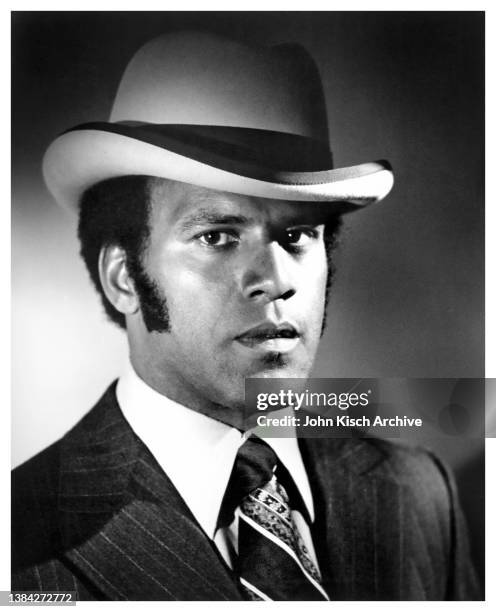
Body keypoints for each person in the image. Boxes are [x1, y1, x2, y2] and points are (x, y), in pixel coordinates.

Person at [11, 31, 479, 601]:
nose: (278, 279)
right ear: (124, 279)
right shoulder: (19, 547)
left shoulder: (418, 495)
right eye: (217, 236)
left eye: (298, 234)